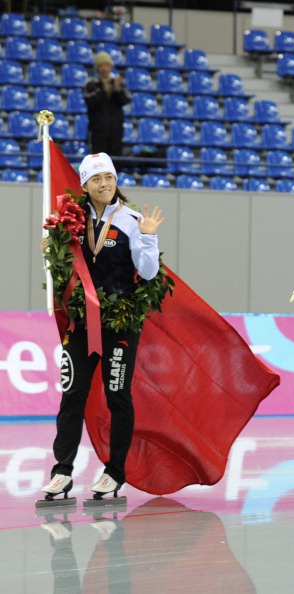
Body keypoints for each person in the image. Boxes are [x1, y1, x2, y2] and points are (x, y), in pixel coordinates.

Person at [41, 152, 165, 500]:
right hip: (81, 324)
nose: (105, 184)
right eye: (97, 179)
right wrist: (50, 248)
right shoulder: (71, 220)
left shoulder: (130, 219)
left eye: (109, 178)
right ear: (84, 185)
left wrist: (149, 238)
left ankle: (114, 471)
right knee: (72, 394)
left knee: (117, 396)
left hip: (121, 323)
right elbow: (63, 269)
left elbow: (150, 273)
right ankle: (62, 472)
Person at [83, 51, 131, 158]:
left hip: (116, 129)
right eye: (101, 66)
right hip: (97, 129)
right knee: (98, 158)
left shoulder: (118, 83)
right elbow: (89, 101)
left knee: (116, 159)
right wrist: (102, 91)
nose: (104, 69)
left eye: (107, 65)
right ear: (97, 68)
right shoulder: (91, 84)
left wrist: (117, 90)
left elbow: (126, 100)